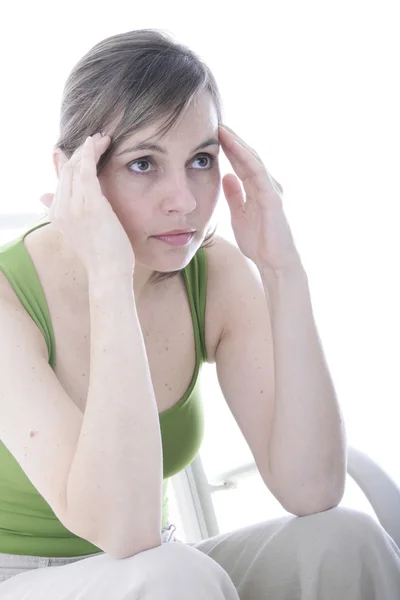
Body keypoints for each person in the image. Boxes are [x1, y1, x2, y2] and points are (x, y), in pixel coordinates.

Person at [0, 28, 399, 600]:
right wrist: (109, 279)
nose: (185, 200)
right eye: (143, 163)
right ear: (74, 175)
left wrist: (282, 270)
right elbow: (125, 532)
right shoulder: (7, 298)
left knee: (344, 539)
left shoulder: (214, 272)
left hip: (157, 570)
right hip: (23, 580)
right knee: (172, 575)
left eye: (201, 160)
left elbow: (311, 489)